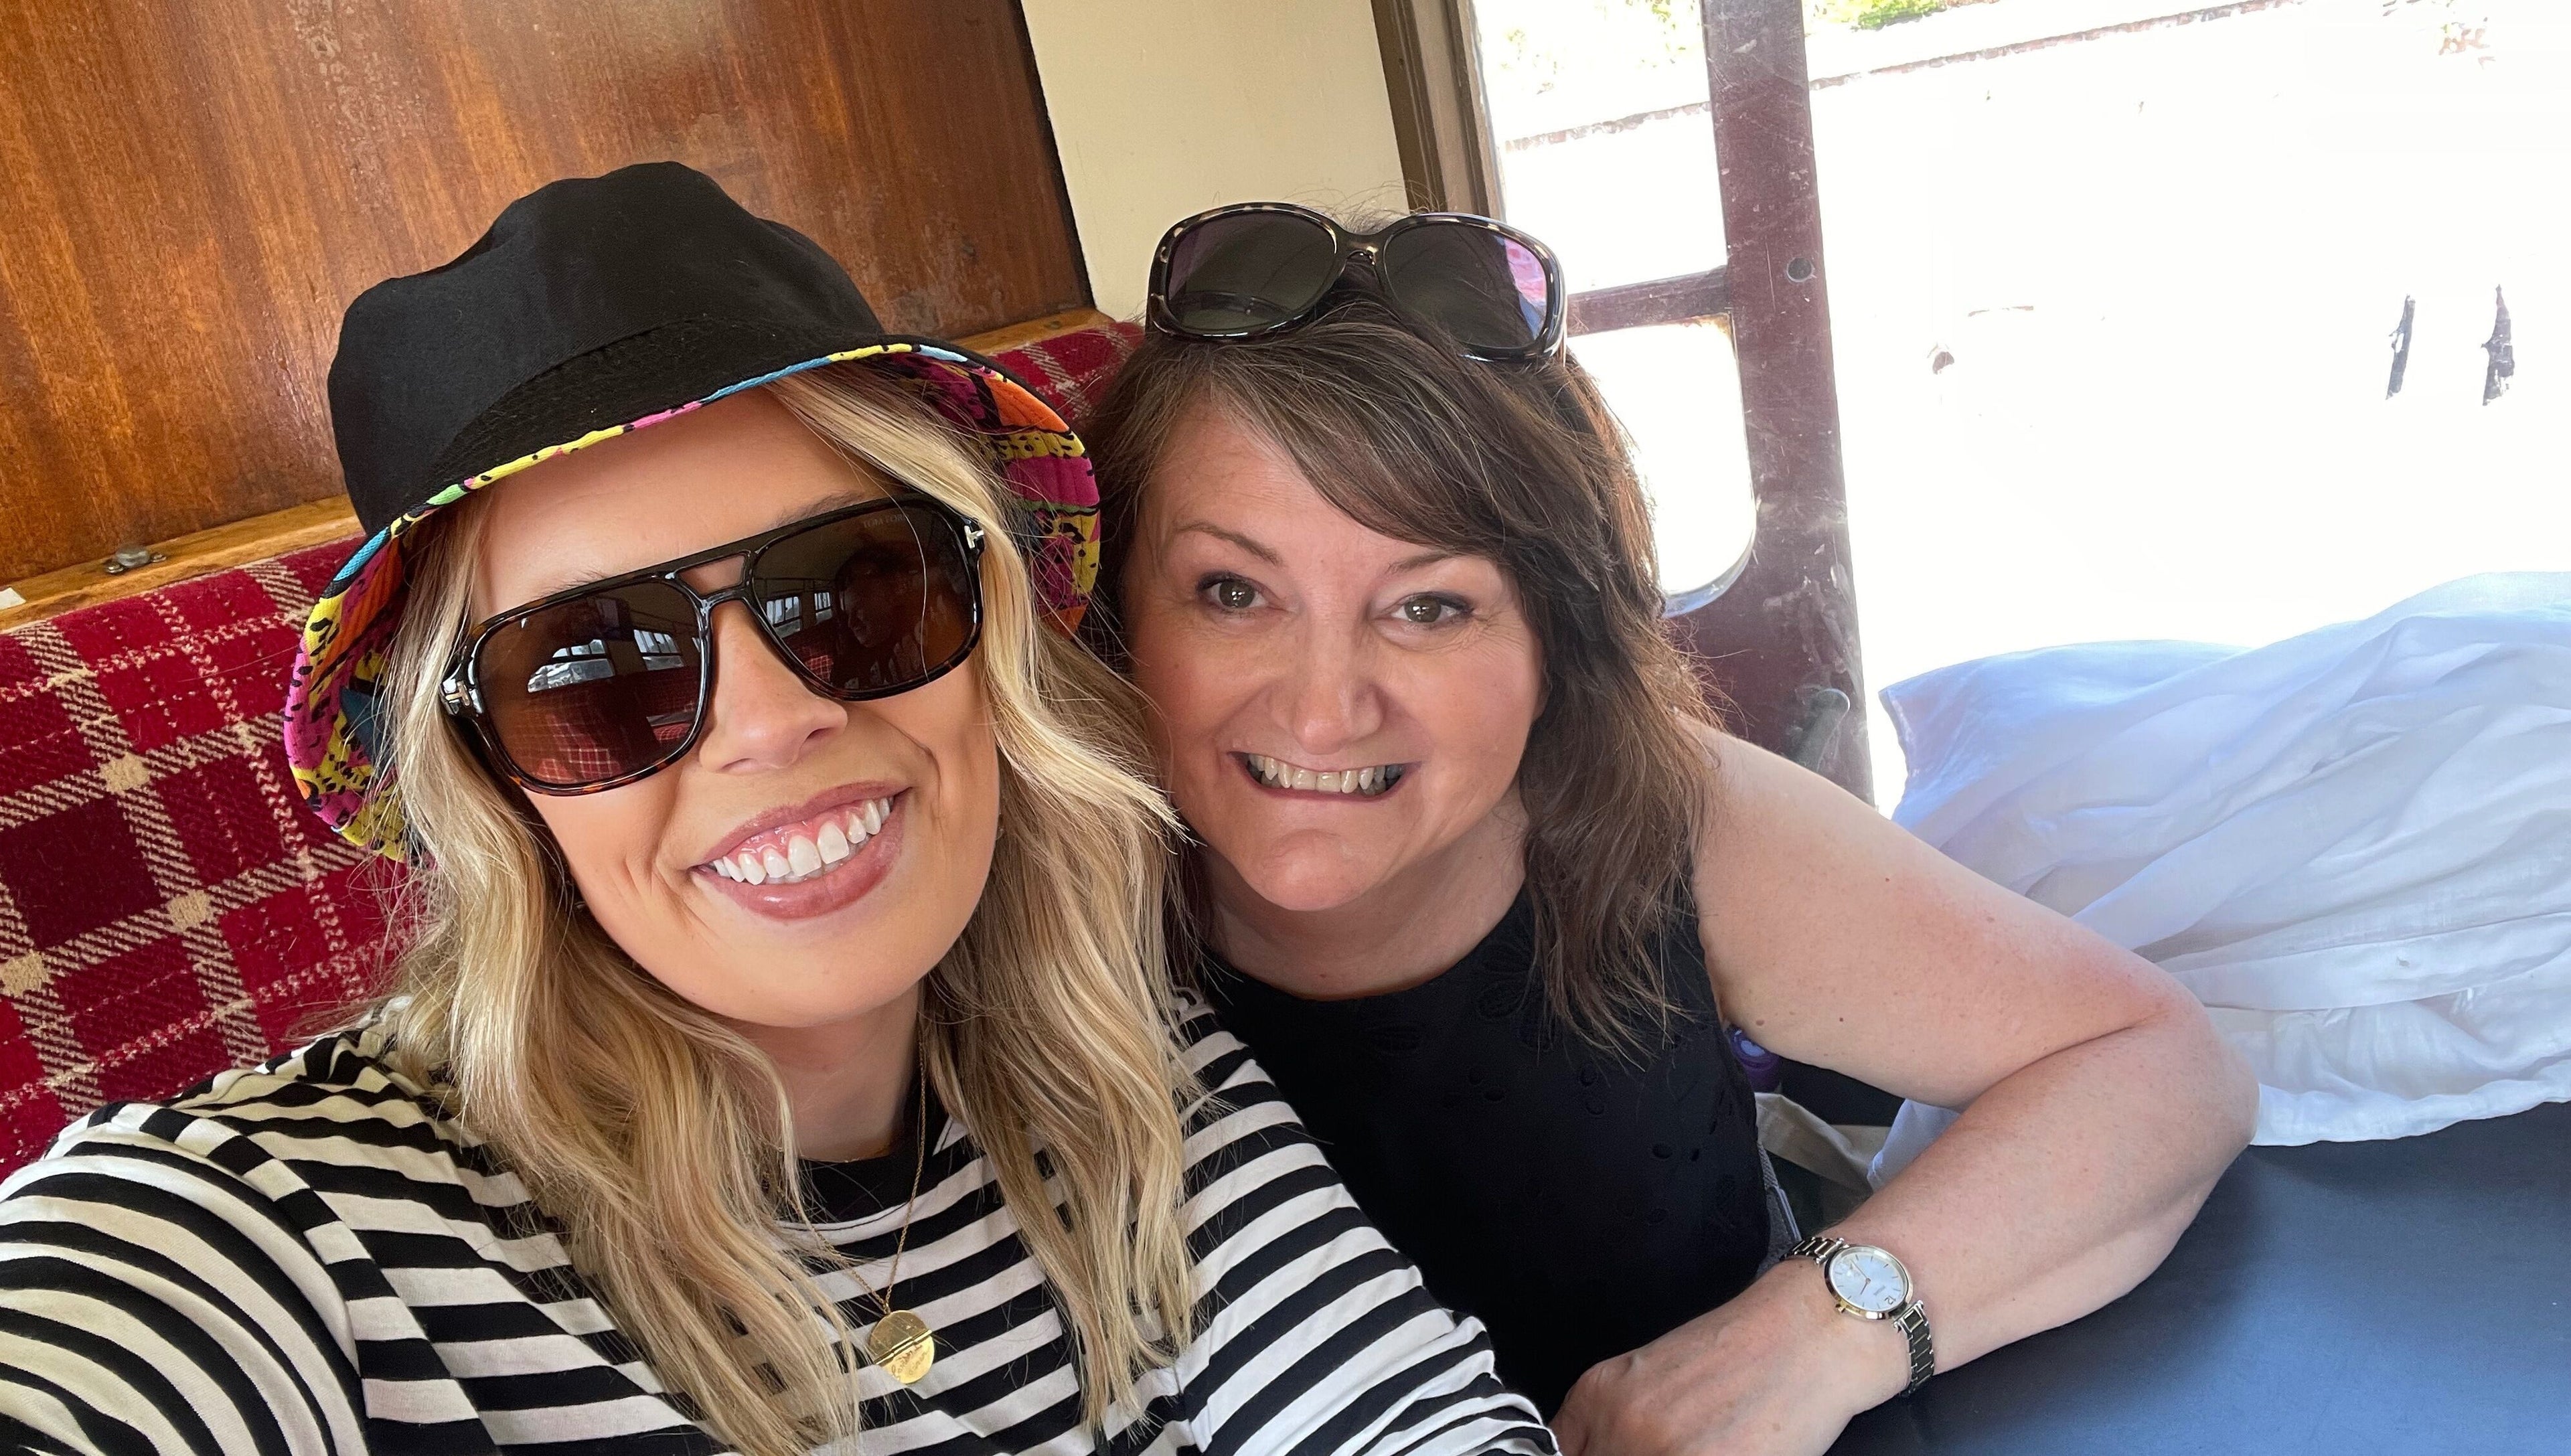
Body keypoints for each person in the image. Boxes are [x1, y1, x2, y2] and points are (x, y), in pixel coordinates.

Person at [0, 167, 1553, 1456]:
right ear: (487, 779)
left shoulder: (1120, 1059)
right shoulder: (291, 1232)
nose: (773, 718)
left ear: (987, 631)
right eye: (592, 669)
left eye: (855, 589)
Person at [1081, 203, 2260, 1456]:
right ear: (1119, 615)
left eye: (1429, 605)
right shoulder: (1024, 902)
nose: (1322, 709)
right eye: (1232, 592)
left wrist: (1815, 1333)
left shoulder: (1667, 816)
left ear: (1558, 640)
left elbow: (2162, 1067)